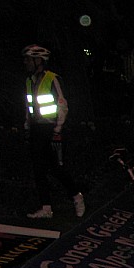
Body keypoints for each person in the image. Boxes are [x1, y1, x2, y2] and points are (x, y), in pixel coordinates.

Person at [22, 44, 86, 219]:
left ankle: (76, 196)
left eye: (29, 59)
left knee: (54, 167)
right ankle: (47, 207)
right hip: (36, 128)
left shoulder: (51, 79)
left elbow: (62, 104)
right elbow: (29, 106)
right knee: (40, 168)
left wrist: (57, 128)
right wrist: (27, 125)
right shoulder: (29, 81)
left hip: (49, 128)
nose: (26, 62)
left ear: (38, 61)